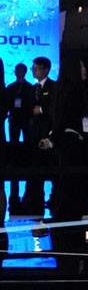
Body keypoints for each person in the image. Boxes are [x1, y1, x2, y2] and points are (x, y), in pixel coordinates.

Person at [39, 54, 88, 224]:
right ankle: (66, 217)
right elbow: (64, 118)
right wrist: (53, 138)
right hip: (70, 140)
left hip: (63, 140)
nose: (84, 70)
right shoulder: (73, 91)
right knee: (70, 181)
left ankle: (63, 216)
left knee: (65, 180)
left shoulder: (61, 89)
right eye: (81, 67)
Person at [23, 56, 56, 215]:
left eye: (36, 68)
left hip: (47, 132)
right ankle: (33, 197)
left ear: (45, 70)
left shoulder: (53, 87)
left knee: (49, 166)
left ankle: (53, 197)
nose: (33, 71)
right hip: (33, 133)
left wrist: (41, 110)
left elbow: (54, 108)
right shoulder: (31, 88)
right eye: (33, 68)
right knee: (34, 166)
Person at [6, 63, 33, 212]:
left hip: (26, 118)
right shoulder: (10, 87)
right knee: (14, 141)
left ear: (25, 71)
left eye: (21, 70)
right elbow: (7, 103)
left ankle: (27, 160)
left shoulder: (29, 87)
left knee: (28, 140)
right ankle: (14, 161)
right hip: (14, 118)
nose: (19, 72)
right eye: (17, 70)